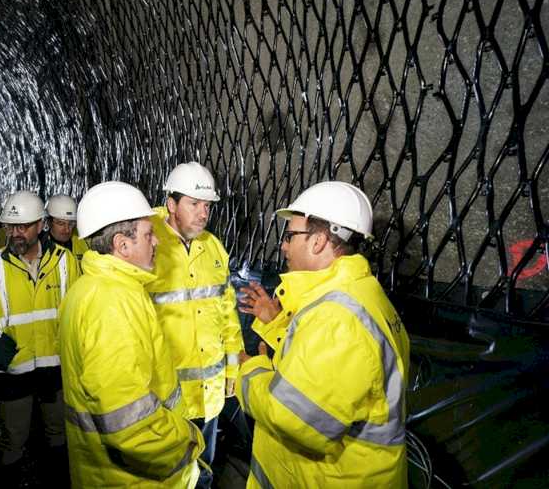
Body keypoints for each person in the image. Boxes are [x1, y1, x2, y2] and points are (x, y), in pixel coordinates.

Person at [236, 181, 410, 488]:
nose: (284, 246)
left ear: (318, 241)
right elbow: (319, 371)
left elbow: (294, 419)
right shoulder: (355, 295)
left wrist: (251, 370)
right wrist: (277, 324)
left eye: (290, 236)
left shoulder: (338, 320)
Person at [59, 181, 205, 488]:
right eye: (148, 234)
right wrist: (187, 440)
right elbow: (130, 425)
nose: (157, 242)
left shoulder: (91, 287)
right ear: (122, 245)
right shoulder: (112, 303)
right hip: (134, 477)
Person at [146, 162, 243, 488]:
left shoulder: (213, 247)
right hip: (166, 395)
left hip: (209, 393)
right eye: (194, 204)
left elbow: (227, 311)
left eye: (207, 206)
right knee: (169, 475)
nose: (203, 214)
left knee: (204, 469)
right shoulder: (147, 244)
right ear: (171, 204)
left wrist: (233, 367)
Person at [0, 191, 81, 483]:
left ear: (41, 225)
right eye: (11, 226)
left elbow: (77, 313)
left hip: (55, 369)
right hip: (13, 371)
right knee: (13, 441)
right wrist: (6, 359)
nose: (16, 233)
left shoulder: (65, 262)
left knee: (58, 436)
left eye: (24, 226)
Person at [45, 194, 89, 261]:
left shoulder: (84, 243)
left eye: (71, 224)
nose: (67, 229)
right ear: (49, 222)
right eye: (61, 223)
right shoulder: (39, 249)